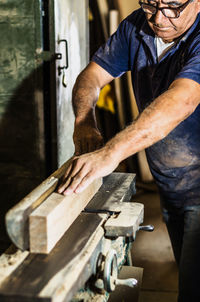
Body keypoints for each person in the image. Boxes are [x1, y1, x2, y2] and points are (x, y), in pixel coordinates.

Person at [58, 1, 200, 300]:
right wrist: (85, 121)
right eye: (151, 4)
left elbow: (182, 100)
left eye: (173, 7)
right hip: (171, 182)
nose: (159, 18)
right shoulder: (137, 25)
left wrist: (110, 153)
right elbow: (93, 76)